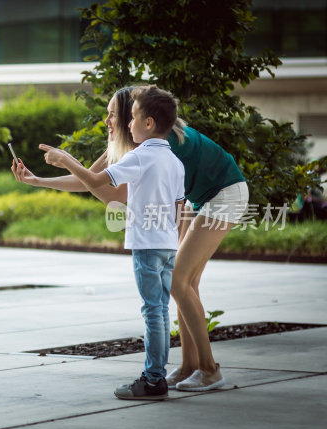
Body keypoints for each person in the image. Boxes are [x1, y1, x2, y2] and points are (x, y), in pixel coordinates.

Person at [13, 87, 248, 392]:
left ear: (136, 118)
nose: (107, 120)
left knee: (179, 281)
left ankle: (210, 369)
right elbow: (91, 179)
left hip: (224, 194)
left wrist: (68, 161)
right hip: (198, 199)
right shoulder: (140, 143)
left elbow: (107, 189)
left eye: (112, 114)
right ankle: (190, 366)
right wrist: (38, 180)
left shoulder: (155, 147)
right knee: (185, 284)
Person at [40, 85, 185, 400]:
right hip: (167, 246)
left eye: (132, 118)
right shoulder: (175, 162)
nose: (127, 124)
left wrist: (65, 158)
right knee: (160, 311)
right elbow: (179, 208)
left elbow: (93, 180)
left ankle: (153, 380)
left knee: (152, 312)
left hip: (146, 247)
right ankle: (156, 376)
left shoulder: (140, 156)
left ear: (148, 123)